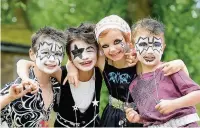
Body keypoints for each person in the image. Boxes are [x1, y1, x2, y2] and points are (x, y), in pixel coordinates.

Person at [66, 15, 189, 127]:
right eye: (105, 46)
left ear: (128, 39)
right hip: (111, 116)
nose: (112, 49)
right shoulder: (103, 61)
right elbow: (79, 57)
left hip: (138, 115)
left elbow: (167, 71)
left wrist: (181, 64)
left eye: (117, 42)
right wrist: (70, 67)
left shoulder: (139, 60)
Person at [16, 23, 103, 127]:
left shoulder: (99, 68)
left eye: (90, 50)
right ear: (69, 56)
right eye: (77, 52)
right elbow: (23, 63)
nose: (84, 57)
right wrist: (25, 78)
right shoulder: (61, 72)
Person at [125, 18, 200, 127]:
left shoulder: (171, 69)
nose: (150, 51)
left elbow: (197, 94)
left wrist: (174, 104)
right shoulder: (134, 86)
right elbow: (150, 117)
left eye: (156, 45)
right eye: (143, 45)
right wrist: (138, 118)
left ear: (163, 48)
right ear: (134, 48)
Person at [0, 26, 67, 127]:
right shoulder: (20, 86)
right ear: (32, 54)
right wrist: (10, 97)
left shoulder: (56, 86)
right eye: (45, 52)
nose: (52, 58)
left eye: (57, 53)